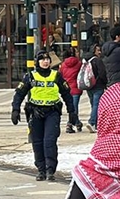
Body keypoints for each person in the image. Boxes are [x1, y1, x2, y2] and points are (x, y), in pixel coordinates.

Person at [11, 50, 77, 181]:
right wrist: (15, 109)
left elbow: (67, 95)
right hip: (35, 112)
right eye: (42, 59)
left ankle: (50, 169)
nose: (45, 62)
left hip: (52, 112)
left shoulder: (56, 76)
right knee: (37, 142)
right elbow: (19, 93)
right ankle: (41, 170)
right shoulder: (30, 76)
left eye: (47, 59)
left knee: (49, 141)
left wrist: (72, 112)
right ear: (37, 62)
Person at [60, 47, 85, 134]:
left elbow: (61, 75)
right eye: (77, 52)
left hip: (67, 88)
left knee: (71, 107)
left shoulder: (63, 64)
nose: (78, 53)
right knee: (74, 107)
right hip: (75, 88)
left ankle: (77, 123)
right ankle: (70, 124)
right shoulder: (79, 64)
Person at [83, 43, 107, 133]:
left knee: (93, 105)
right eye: (98, 50)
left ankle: (96, 124)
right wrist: (105, 83)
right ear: (94, 51)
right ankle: (92, 122)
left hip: (89, 86)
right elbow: (102, 74)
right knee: (97, 105)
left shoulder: (86, 60)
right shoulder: (97, 61)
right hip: (98, 86)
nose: (100, 52)